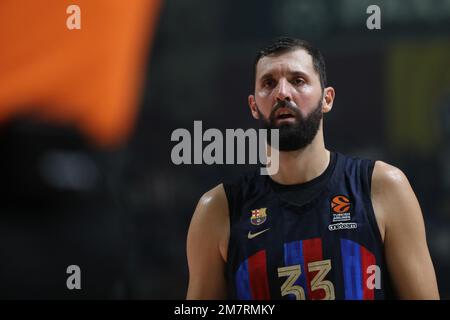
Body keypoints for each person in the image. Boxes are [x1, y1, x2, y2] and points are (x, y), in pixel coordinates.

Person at [186, 37, 439, 300]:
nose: (282, 93)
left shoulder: (383, 187)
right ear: (253, 106)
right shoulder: (218, 210)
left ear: (327, 99)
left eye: (298, 80)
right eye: (268, 83)